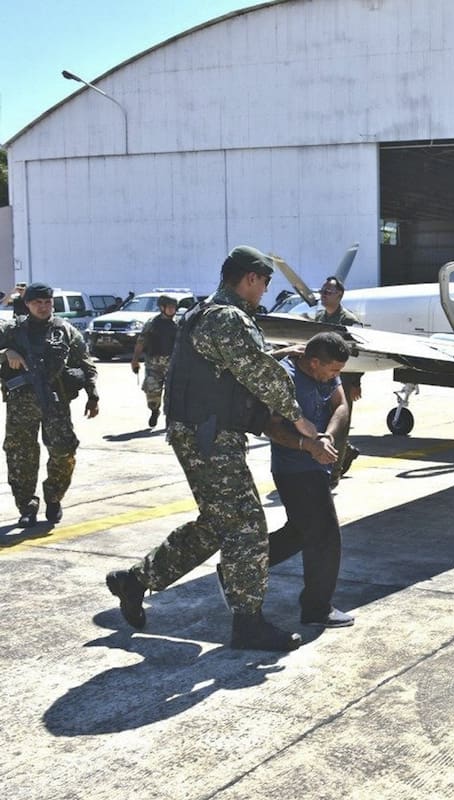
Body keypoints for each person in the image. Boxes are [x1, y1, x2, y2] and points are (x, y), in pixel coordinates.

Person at [105, 246, 320, 652]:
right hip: (209, 436)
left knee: (217, 524)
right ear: (250, 278)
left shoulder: (206, 312)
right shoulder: (226, 317)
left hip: (204, 432)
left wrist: (277, 354)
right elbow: (255, 372)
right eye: (265, 281)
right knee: (247, 526)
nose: (265, 289)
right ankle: (248, 623)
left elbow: (229, 364)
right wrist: (298, 417)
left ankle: (134, 581)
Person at [262, 332, 355, 627]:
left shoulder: (327, 370)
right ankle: (316, 608)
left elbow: (341, 405)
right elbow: (271, 427)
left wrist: (327, 436)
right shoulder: (285, 377)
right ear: (314, 362)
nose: (335, 375)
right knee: (326, 536)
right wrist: (307, 445)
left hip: (319, 464)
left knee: (300, 532)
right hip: (294, 469)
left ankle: (239, 566)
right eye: (333, 370)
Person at [0, 283, 99, 526]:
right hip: (21, 404)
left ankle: (54, 496)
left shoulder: (64, 330)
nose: (43, 307)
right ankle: (27, 505)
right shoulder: (12, 330)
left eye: (47, 302)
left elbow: (86, 363)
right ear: (27, 304)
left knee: (64, 451)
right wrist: (6, 352)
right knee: (20, 455)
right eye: (37, 302)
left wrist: (93, 394)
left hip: (55, 401)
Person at [313, 276, 362, 485]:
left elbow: (359, 352)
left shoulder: (349, 321)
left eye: (328, 292)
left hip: (344, 379)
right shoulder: (319, 317)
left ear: (340, 295)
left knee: (340, 424)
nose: (323, 295)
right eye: (322, 291)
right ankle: (346, 452)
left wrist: (356, 382)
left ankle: (333, 473)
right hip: (321, 378)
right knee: (322, 422)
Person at [130, 295, 179, 427]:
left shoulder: (178, 324)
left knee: (174, 393)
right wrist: (135, 360)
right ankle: (154, 410)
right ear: (162, 308)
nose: (172, 310)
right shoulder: (152, 324)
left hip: (173, 364)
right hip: (154, 364)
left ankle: (170, 418)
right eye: (169, 307)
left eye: (174, 307)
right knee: (152, 391)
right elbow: (141, 342)